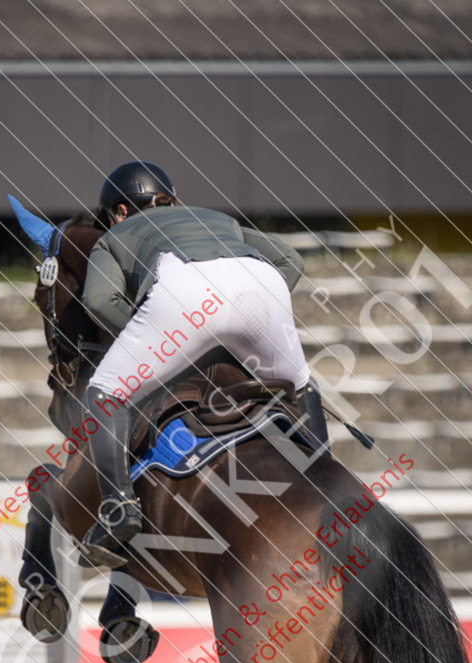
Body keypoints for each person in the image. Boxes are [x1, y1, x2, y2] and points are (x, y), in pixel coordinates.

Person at [79, 160, 326, 569]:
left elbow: (99, 301)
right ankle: (323, 477)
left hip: (184, 297)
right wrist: (245, 322)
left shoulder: (116, 233)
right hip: (260, 287)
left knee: (104, 390)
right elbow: (291, 261)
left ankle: (119, 508)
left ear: (119, 211)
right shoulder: (217, 217)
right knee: (301, 382)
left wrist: (158, 337)